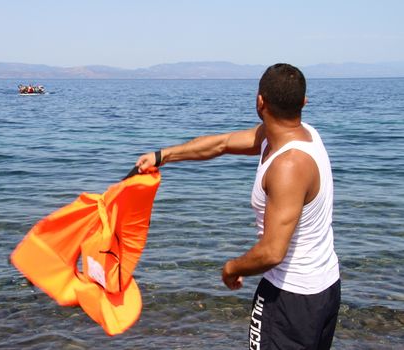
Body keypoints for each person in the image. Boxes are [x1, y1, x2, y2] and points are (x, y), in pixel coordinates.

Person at [136, 63, 340, 349]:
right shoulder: (298, 134)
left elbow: (271, 252)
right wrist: (163, 156)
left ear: (260, 101)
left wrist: (232, 268)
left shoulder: (288, 166)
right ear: (303, 103)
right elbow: (222, 144)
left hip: (291, 297)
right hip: (324, 287)